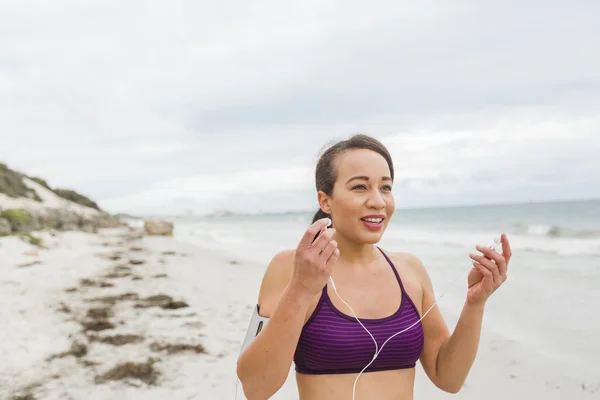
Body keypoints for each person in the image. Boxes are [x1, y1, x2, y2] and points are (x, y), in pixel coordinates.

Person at [236, 134, 512, 399]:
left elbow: (448, 378)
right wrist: (300, 289)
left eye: (386, 187)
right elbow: (255, 388)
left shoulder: (410, 270)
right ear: (325, 200)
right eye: (360, 187)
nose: (378, 201)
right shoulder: (292, 267)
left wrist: (475, 304)